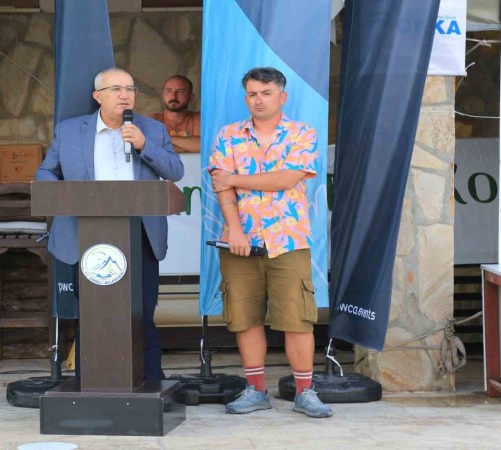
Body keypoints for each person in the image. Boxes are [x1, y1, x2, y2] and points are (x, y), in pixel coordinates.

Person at [36, 68, 184, 382]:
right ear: (98, 96)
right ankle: (90, 381)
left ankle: (149, 380)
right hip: (85, 233)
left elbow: (175, 170)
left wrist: (144, 145)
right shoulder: (70, 130)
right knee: (93, 312)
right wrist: (65, 196)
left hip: (139, 233)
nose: (125, 95)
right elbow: (47, 172)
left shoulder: (152, 130)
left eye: (130, 89)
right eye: (116, 89)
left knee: (142, 312)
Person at [208, 67, 333, 418]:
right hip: (239, 241)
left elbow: (287, 178)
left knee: (297, 319)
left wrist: (235, 178)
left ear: (282, 96)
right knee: (245, 318)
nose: (258, 100)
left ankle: (305, 393)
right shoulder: (228, 135)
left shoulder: (302, 133)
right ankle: (256, 390)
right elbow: (221, 187)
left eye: (265, 93)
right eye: (252, 94)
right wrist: (235, 229)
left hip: (288, 241)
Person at [149, 75, 201, 153]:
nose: (173, 96)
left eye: (180, 91)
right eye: (168, 91)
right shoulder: (153, 119)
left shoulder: (198, 118)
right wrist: (188, 146)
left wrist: (165, 138)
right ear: (163, 95)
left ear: (191, 97)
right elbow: (150, 147)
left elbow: (202, 146)